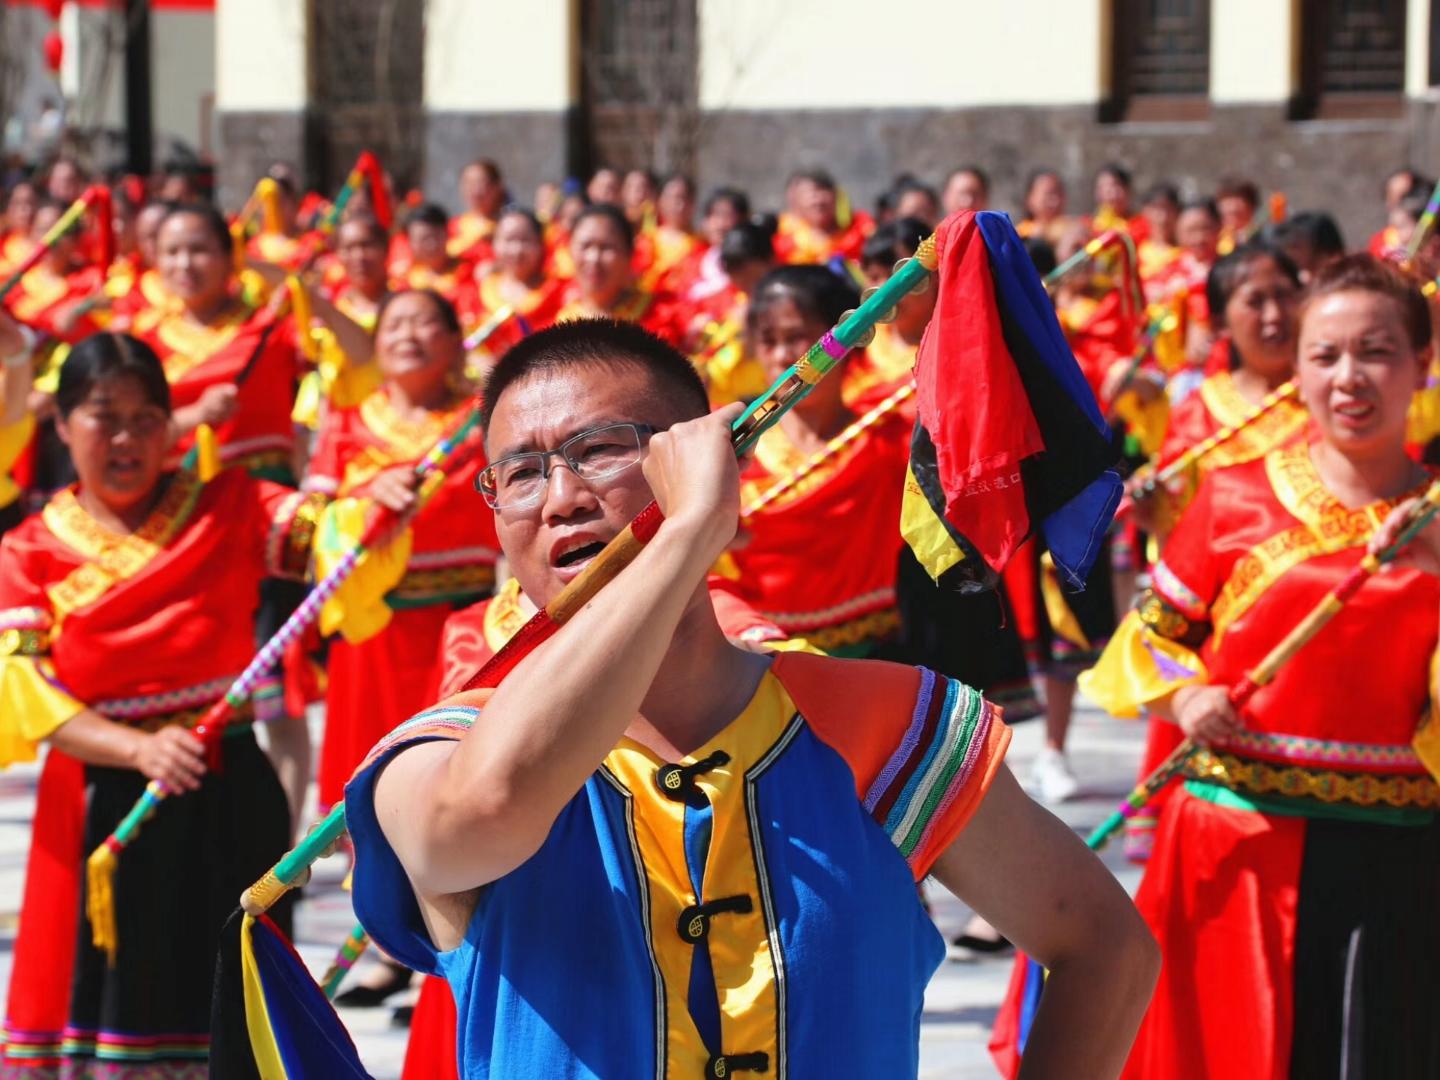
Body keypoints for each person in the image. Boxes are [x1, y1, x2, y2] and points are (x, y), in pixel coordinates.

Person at [344, 316, 1158, 1078]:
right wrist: (693, 529)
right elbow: (482, 817)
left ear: (703, 460)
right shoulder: (442, 752)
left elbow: (1104, 949)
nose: (561, 498)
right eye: (520, 473)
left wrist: (697, 522)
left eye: (602, 451)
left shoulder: (882, 726)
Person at [1082, 254, 1440, 1079]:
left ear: (1422, 364)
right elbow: (1146, 637)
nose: (1350, 377)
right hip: (1235, 839)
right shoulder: (1235, 495)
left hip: (1397, 850)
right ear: (1298, 374)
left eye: (1378, 351)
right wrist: (1189, 692)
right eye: (1326, 355)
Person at [0, 334, 321, 1077]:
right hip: (97, 800)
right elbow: (22, 691)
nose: (126, 440)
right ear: (62, 424)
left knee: (229, 1014)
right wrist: (136, 747)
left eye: (148, 419)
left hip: (222, 787)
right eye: (103, 417)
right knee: (114, 1005)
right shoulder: (27, 549)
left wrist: (379, 504)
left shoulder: (230, 504)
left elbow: (330, 535)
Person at [305, 289, 496, 810]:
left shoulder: (483, 421)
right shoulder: (346, 421)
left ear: (456, 342)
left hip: (459, 626)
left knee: (456, 784)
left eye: (425, 324)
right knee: (370, 790)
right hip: (373, 630)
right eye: (394, 325)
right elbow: (308, 521)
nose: (408, 335)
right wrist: (365, 500)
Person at [712, 265, 911, 655]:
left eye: (797, 338)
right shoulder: (727, 444)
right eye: (768, 340)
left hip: (878, 647)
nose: (783, 356)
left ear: (843, 337)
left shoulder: (885, 435)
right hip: (763, 653)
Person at [554, 203, 685, 344]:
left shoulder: (663, 314)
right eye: (585, 246)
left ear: (629, 254)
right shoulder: (564, 323)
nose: (594, 258)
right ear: (569, 250)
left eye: (606, 247)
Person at [468, 206, 564, 363]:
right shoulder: (477, 292)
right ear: (494, 243)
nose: (517, 250)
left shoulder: (559, 292)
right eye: (509, 240)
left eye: (525, 240)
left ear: (541, 244)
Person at [449, 158, 505, 267]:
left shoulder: (508, 226)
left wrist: (498, 267)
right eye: (468, 182)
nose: (474, 189)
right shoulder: (452, 226)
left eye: (481, 182)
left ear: (497, 186)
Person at [1016, 168, 1077, 247]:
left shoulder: (1074, 230)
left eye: (1059, 194)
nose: (1055, 201)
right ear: (1030, 199)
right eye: (1049, 195)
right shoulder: (1021, 236)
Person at [1215, 175, 1260, 255]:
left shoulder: (1263, 238)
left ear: (1252, 207)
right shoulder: (1209, 240)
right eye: (1228, 201)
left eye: (1239, 201)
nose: (1233, 207)